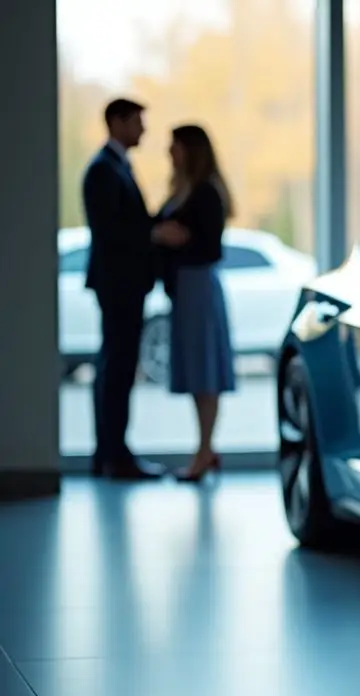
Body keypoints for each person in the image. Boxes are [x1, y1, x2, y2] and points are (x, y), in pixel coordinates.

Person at [82, 98, 166, 479]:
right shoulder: (103, 171)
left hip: (122, 284)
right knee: (116, 368)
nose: (143, 130)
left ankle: (112, 452)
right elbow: (111, 231)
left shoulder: (114, 167)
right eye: (137, 122)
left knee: (115, 367)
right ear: (117, 122)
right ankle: (114, 455)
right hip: (118, 284)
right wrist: (153, 233)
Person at [150, 124, 237, 482]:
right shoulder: (182, 190)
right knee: (196, 369)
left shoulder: (205, 193)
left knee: (205, 371)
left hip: (198, 287)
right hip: (186, 290)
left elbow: (210, 246)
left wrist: (176, 239)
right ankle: (204, 449)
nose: (170, 153)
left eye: (175, 146)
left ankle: (204, 450)